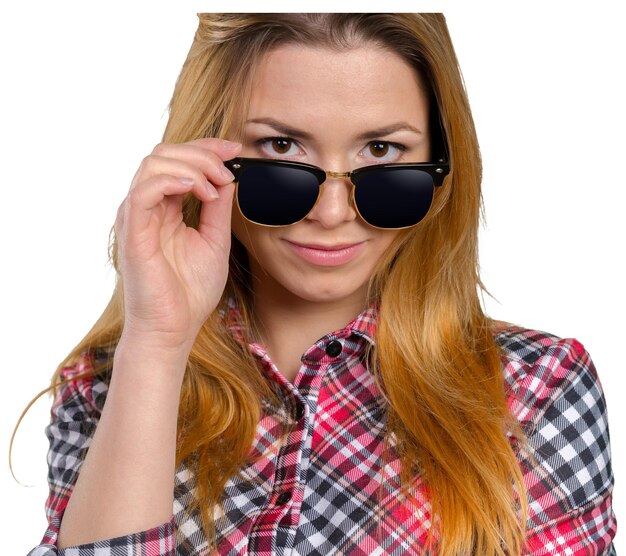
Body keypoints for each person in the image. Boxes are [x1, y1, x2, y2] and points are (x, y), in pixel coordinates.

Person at [23, 13, 615, 555]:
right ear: (206, 157)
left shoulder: (535, 391)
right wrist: (156, 344)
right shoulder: (107, 387)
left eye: (382, 151)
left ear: (440, 168)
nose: (332, 212)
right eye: (281, 147)